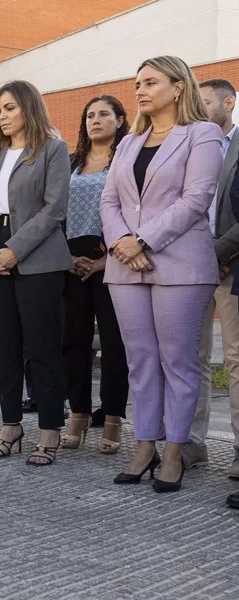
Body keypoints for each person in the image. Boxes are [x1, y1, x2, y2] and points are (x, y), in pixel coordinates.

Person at [100, 56, 222, 493]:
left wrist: (143, 240)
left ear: (178, 87)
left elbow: (196, 198)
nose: (140, 90)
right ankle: (144, 444)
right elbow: (109, 202)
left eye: (150, 82)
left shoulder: (203, 134)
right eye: (136, 83)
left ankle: (175, 450)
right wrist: (122, 243)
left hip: (181, 264)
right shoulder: (130, 142)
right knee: (141, 361)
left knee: (178, 362)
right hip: (124, 264)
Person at [0, 80, 73, 466]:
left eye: (10, 108)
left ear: (28, 107)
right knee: (5, 347)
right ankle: (10, 425)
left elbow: (54, 209)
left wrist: (14, 250)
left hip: (37, 257)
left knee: (42, 346)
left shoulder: (53, 149)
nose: (3, 116)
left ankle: (50, 428)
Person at [60, 96, 130, 454]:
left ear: (120, 119)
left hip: (114, 259)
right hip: (72, 262)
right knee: (74, 342)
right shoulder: (71, 163)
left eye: (104, 114)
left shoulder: (128, 159)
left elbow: (135, 212)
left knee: (115, 344)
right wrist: (67, 256)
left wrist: (106, 262)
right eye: (90, 115)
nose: (96, 120)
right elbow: (56, 212)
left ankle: (114, 417)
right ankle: (79, 414)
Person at [183, 79, 239, 473]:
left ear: (229, 103)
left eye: (205, 103)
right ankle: (192, 444)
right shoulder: (191, 146)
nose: (200, 109)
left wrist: (217, 253)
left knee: (235, 359)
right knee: (192, 357)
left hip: (231, 267)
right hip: (189, 266)